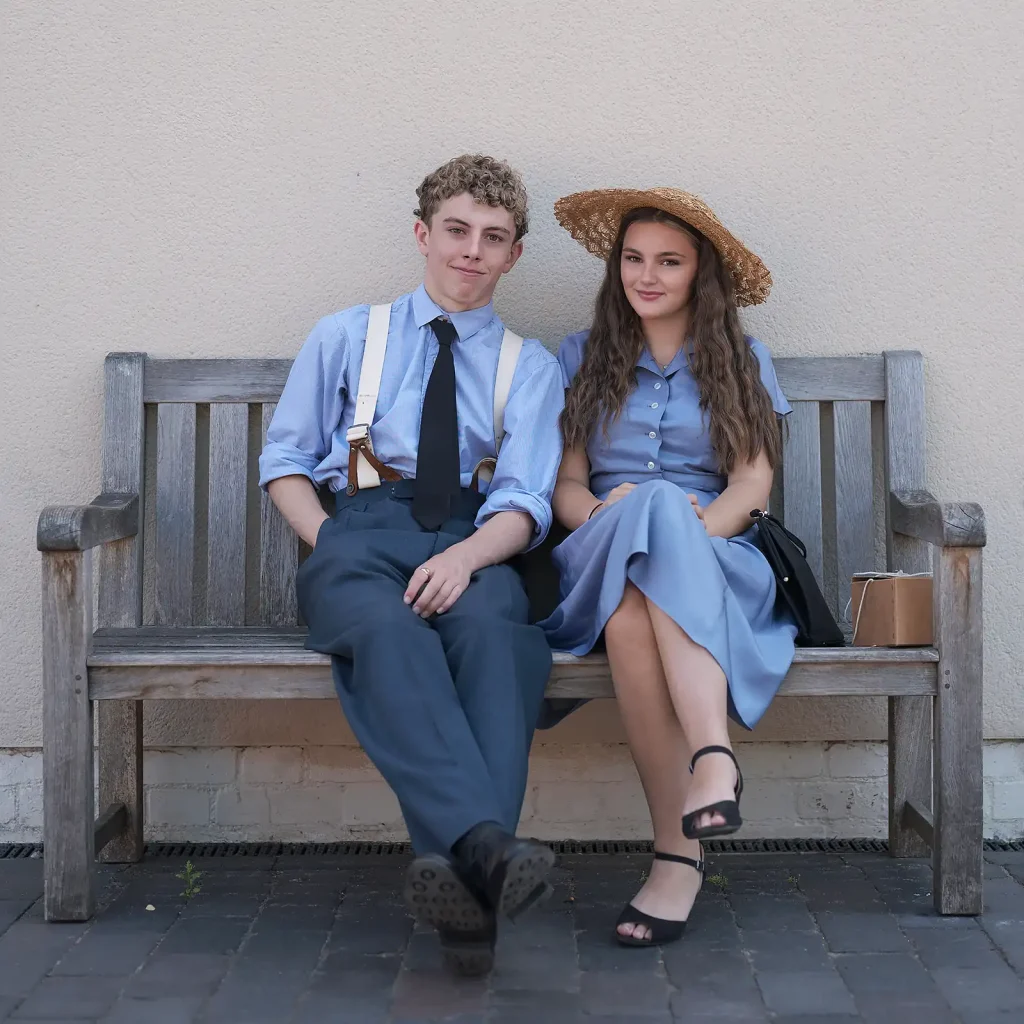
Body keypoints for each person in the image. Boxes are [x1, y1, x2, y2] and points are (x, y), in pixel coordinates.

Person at [259, 155, 564, 975]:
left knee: (497, 638)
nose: (472, 251)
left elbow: (529, 500)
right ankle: (485, 860)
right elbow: (285, 461)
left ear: (514, 255)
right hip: (358, 529)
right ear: (423, 235)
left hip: (472, 537)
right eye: (458, 231)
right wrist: (331, 542)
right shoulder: (348, 335)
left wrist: (468, 559)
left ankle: (470, 881)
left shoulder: (528, 368)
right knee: (389, 632)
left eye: (494, 238)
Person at [538, 188, 797, 947]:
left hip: (714, 555)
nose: (646, 276)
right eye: (633, 258)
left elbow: (750, 486)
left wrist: (686, 532)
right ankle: (713, 757)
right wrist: (619, 516)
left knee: (631, 624)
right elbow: (566, 488)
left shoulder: (740, 359)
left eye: (669, 261)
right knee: (648, 504)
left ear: (699, 274)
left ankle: (674, 859)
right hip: (600, 546)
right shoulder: (580, 356)